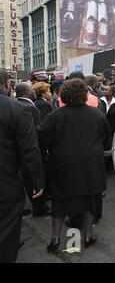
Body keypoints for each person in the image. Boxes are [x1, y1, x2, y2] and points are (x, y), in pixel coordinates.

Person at [38, 79, 111, 253]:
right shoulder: (97, 114)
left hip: (63, 164)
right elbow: (105, 138)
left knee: (60, 201)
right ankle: (88, 235)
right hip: (90, 164)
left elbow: (42, 138)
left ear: (64, 95)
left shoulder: (55, 116)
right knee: (89, 200)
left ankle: (55, 237)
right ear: (84, 95)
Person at [0, 70, 45, 263]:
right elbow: (29, 150)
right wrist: (36, 181)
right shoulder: (17, 109)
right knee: (6, 239)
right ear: (6, 84)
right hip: (6, 185)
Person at [15, 82, 51, 217]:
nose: (33, 91)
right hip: (32, 151)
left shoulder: (16, 104)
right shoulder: (30, 107)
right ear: (26, 92)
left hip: (17, 153)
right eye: (30, 89)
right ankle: (40, 208)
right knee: (34, 180)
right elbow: (37, 132)